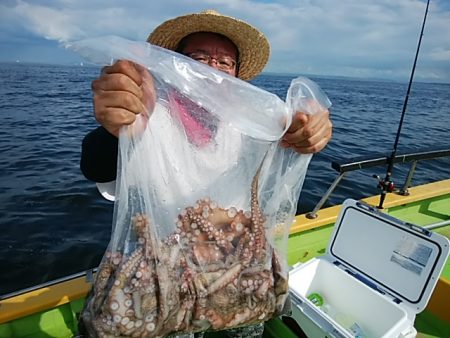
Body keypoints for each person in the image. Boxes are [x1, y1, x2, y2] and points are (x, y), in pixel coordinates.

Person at [80, 9, 329, 338]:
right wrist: (116, 130)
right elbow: (95, 164)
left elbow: (298, 130)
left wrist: (313, 130)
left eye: (225, 63)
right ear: (174, 67)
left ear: (238, 76)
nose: (213, 71)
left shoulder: (253, 127)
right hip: (163, 272)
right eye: (197, 58)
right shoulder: (150, 117)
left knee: (247, 324)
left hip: (239, 265)